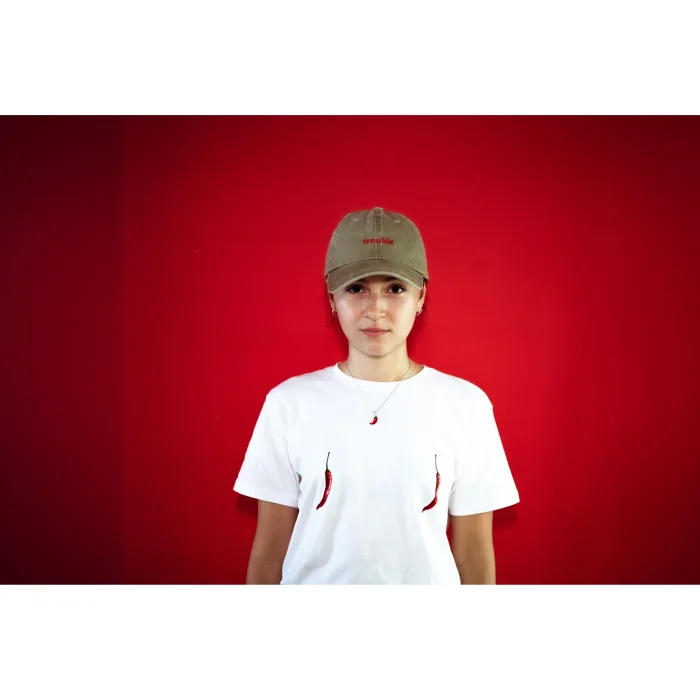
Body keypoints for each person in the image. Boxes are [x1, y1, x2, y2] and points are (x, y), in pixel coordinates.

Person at [233, 206, 520, 584]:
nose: (375, 309)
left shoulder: (467, 406)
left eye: (395, 288)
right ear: (332, 298)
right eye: (357, 288)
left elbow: (474, 555)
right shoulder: (288, 404)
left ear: (421, 297)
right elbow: (270, 552)